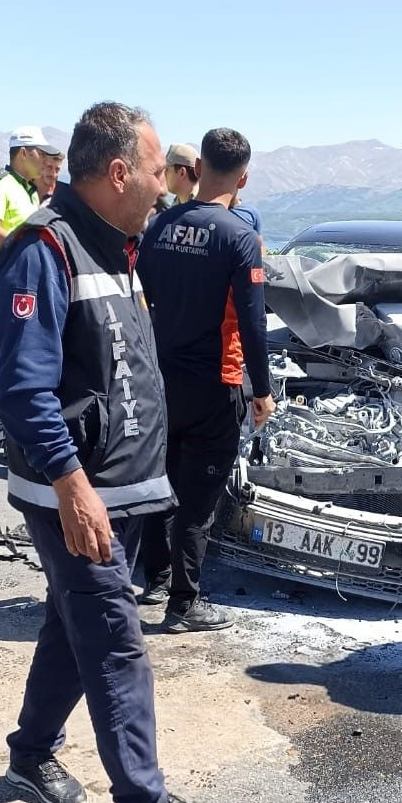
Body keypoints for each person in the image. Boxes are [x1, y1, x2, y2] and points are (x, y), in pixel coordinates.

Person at [0, 100, 229, 803]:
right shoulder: (43, 250)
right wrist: (73, 488)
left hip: (117, 486)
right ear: (119, 170)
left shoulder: (115, 243)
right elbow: (23, 391)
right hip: (77, 492)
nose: (166, 187)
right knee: (116, 638)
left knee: (74, 622)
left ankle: (30, 754)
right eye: (157, 172)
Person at [135, 127, 274, 631]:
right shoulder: (239, 237)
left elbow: (137, 302)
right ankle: (183, 604)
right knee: (199, 497)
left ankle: (154, 578)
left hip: (159, 379)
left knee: (159, 481)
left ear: (198, 170)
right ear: (243, 177)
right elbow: (254, 323)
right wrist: (262, 390)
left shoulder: (161, 226)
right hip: (217, 383)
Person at [0, 126, 61, 264]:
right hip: (9, 269)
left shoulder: (28, 188)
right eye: (41, 154)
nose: (45, 161)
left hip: (26, 267)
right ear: (23, 153)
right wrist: (33, 250)